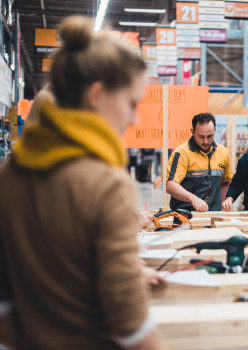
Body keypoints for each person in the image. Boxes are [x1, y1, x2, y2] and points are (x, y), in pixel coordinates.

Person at [0, 16, 164, 349]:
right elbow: (127, 318)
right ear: (97, 94)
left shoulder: (10, 174)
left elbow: (6, 298)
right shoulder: (105, 184)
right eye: (132, 103)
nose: (133, 118)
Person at [166, 112, 233, 212]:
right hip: (185, 215)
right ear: (193, 132)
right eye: (201, 137)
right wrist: (193, 199)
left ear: (215, 130)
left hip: (213, 215)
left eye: (209, 136)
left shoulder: (223, 153)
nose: (205, 141)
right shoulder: (181, 154)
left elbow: (225, 181)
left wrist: (224, 204)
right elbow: (170, 185)